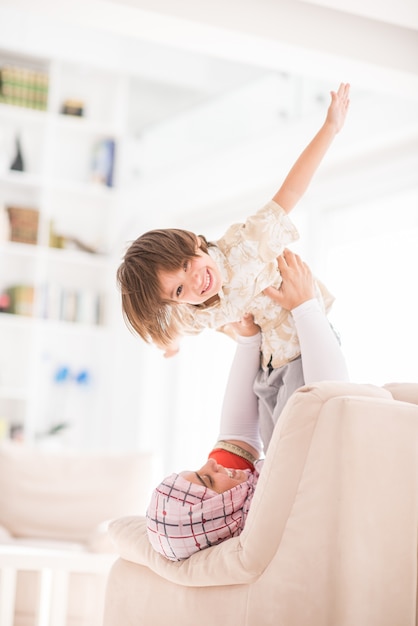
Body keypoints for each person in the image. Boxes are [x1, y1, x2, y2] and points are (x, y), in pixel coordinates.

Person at [118, 83, 350, 450]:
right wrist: (172, 346)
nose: (195, 282)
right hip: (269, 368)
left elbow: (290, 192)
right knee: (275, 449)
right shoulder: (192, 312)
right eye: (179, 290)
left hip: (305, 346)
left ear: (195, 242)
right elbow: (176, 325)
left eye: (186, 263)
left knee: (304, 440)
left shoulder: (246, 245)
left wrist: (330, 127)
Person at [146, 251, 349, 561]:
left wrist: (248, 339)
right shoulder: (276, 499)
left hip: (283, 366)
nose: (211, 465)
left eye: (198, 470)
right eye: (207, 479)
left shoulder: (239, 497)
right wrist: (305, 305)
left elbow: (236, 434)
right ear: (217, 513)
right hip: (316, 370)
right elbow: (330, 399)